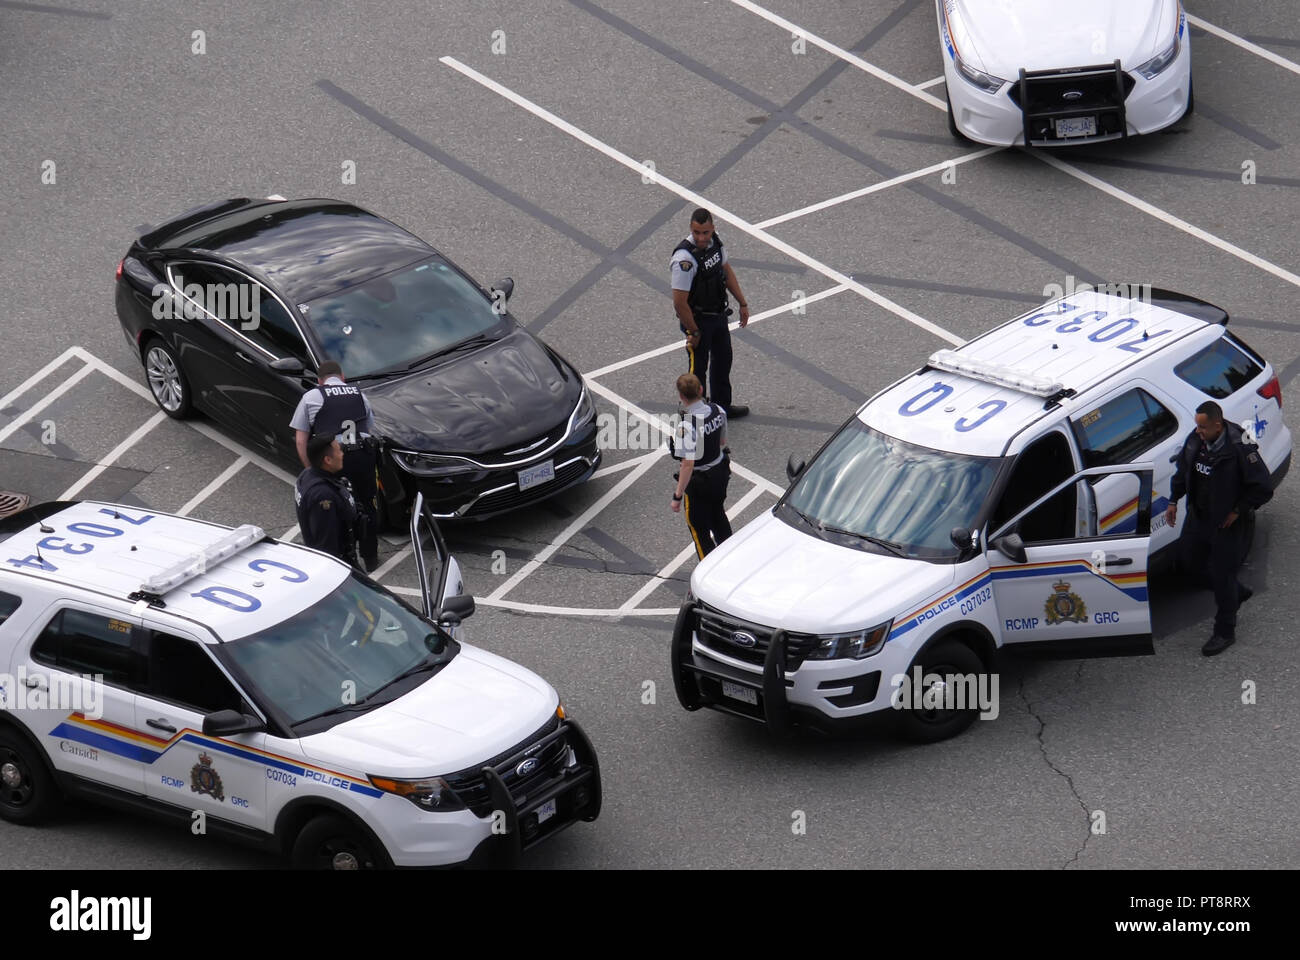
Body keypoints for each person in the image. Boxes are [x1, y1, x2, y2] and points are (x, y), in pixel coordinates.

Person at [1165, 400, 1272, 656]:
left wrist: (1238, 510)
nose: (1198, 432)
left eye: (1203, 427)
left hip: (1227, 523)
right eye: (1197, 427)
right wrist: (1173, 500)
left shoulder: (1239, 446)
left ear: (1217, 424)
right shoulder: (1197, 439)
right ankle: (1237, 592)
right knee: (1189, 561)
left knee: (1222, 576)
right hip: (1199, 516)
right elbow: (1183, 470)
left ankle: (1225, 631)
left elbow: (1263, 486)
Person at [290, 361, 379, 571]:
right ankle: (371, 558)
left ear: (320, 381)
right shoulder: (359, 394)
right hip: (361, 456)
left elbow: (300, 439)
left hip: (333, 459)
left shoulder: (312, 397)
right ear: (343, 377)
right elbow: (370, 427)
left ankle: (340, 559)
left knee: (336, 509)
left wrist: (312, 469)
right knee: (367, 506)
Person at [671, 207, 750, 419]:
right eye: (696, 232)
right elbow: (679, 303)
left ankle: (722, 407)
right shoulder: (684, 259)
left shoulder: (715, 243)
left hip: (717, 315)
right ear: (691, 229)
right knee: (697, 370)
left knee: (723, 359)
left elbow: (726, 271)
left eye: (705, 232)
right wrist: (694, 332)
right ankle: (695, 415)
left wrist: (742, 303)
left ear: (712, 229)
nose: (701, 237)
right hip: (697, 321)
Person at [670, 373, 732, 558]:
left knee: (700, 533)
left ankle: (707, 577)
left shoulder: (686, 427)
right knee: (719, 518)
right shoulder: (718, 410)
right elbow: (721, 442)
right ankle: (732, 560)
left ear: (681, 396)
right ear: (701, 390)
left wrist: (677, 496)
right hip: (720, 475)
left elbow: (687, 464)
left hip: (700, 485)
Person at [295, 433, 362, 570]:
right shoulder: (322, 496)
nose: (342, 454)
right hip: (340, 565)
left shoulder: (307, 474)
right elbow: (326, 545)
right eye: (338, 451)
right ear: (328, 460)